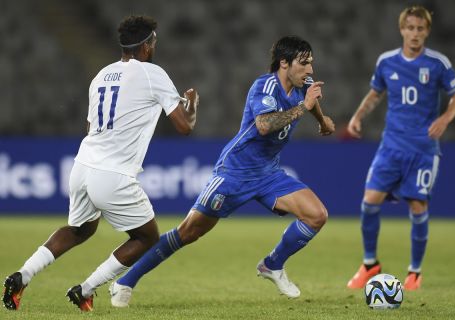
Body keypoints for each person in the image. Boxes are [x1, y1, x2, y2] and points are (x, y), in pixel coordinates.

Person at [108, 35, 335, 307]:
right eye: (304, 63)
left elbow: (310, 98)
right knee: (188, 232)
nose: (310, 70)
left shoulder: (303, 85)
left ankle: (272, 265)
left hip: (268, 173)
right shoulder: (263, 86)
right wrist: (304, 107)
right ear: (284, 63)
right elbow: (264, 126)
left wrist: (321, 120)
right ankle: (125, 282)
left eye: (311, 63)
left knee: (316, 215)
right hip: (234, 172)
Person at [2, 15, 199, 312]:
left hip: (82, 165)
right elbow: (184, 127)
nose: (154, 46)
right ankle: (86, 289)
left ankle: (22, 275)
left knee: (79, 229)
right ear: (146, 46)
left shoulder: (101, 75)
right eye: (154, 41)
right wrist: (192, 106)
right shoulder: (151, 73)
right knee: (146, 237)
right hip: (114, 173)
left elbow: (89, 125)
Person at [346, 6, 455, 291]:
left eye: (420, 29)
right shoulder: (387, 62)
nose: (415, 34)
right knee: (369, 201)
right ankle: (370, 264)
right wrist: (358, 116)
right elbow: (376, 94)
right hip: (391, 146)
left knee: (417, 204)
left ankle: (414, 272)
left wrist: (444, 119)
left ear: (427, 32)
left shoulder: (438, 63)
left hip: (423, 149)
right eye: (410, 28)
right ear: (402, 30)